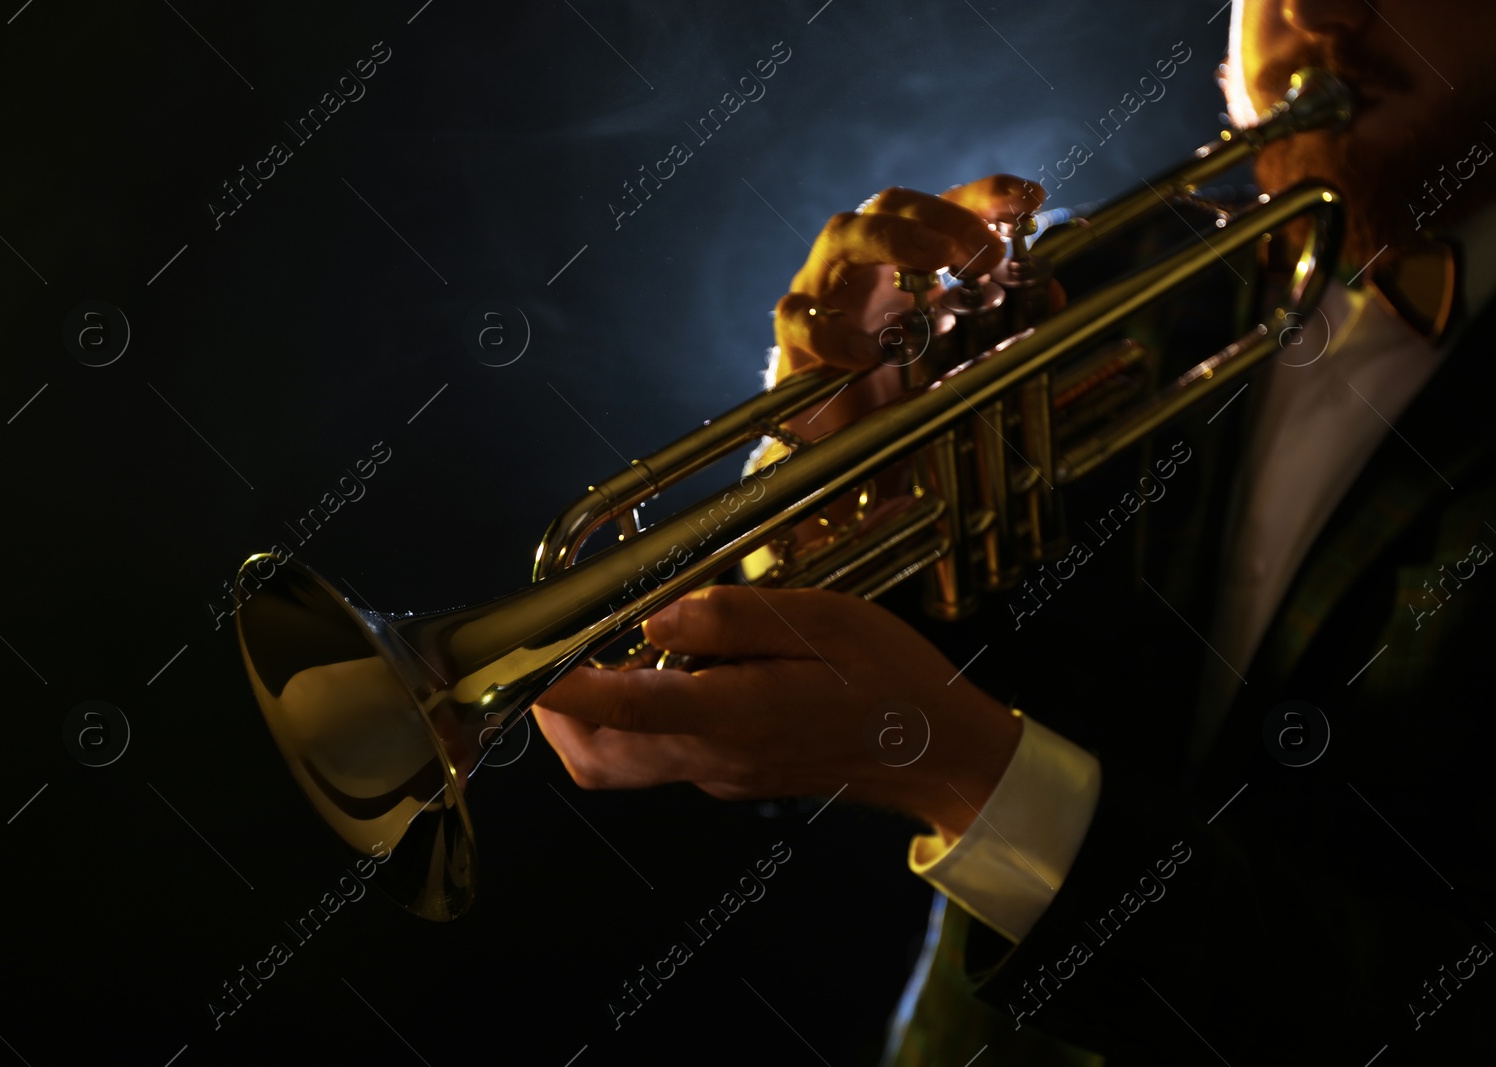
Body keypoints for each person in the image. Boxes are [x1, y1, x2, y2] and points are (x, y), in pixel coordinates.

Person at [534, 0, 1496, 1061]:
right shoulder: (1124, 271)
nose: (1313, 13)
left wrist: (965, 772)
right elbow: (926, 661)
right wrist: (830, 458)